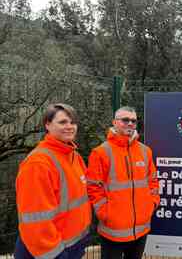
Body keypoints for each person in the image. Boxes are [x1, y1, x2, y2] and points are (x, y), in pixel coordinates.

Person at [15, 103, 91, 259]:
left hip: (73, 245)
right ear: (47, 125)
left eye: (73, 122)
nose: (70, 126)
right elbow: (36, 221)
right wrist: (55, 254)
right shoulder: (38, 163)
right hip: (51, 252)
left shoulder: (73, 155)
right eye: (63, 122)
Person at [86, 106, 160, 259]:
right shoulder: (100, 152)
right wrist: (105, 214)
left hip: (141, 228)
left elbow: (153, 181)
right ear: (114, 122)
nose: (130, 123)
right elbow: (93, 187)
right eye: (125, 120)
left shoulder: (145, 151)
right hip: (112, 230)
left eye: (133, 120)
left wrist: (152, 204)